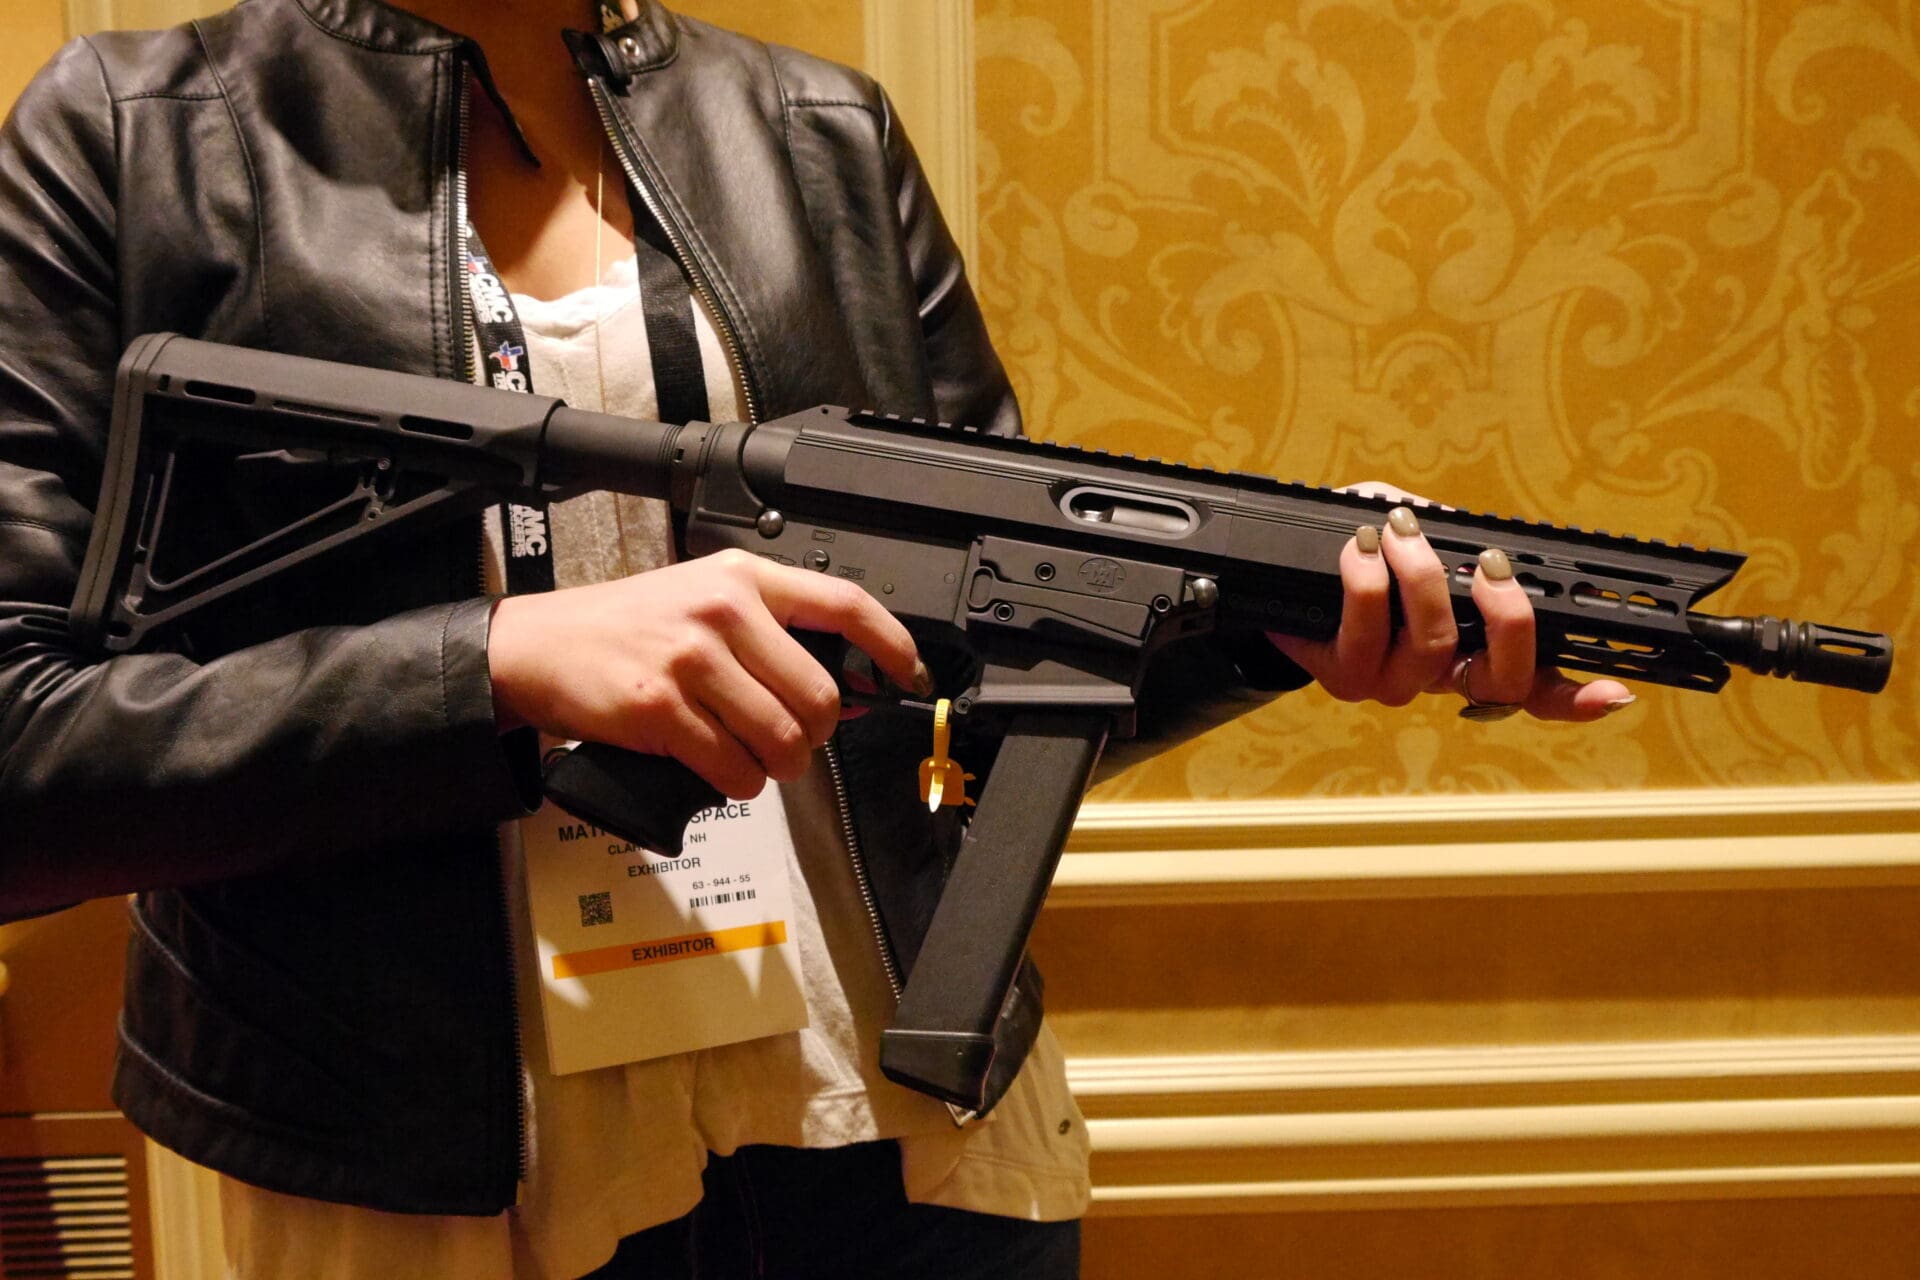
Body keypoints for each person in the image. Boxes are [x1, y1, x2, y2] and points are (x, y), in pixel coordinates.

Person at [0, 0, 1631, 1275]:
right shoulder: (134, 134)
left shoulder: (813, 126)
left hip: (904, 1128)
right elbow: (25, 746)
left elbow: (977, 667)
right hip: (436, 1172)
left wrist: (1271, 630)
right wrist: (497, 663)